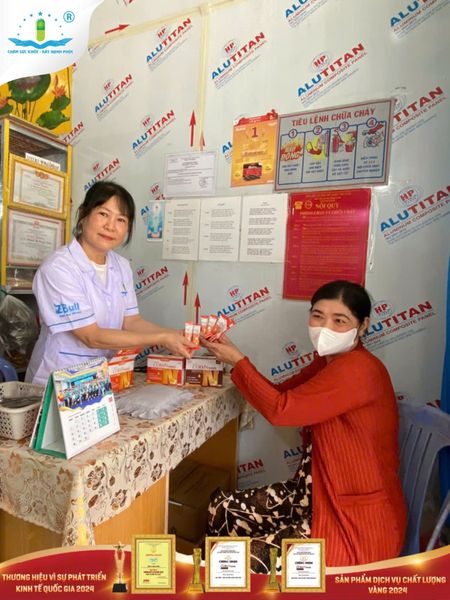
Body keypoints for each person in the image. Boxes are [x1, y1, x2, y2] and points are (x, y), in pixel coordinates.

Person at [202, 280, 407, 572]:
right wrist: (233, 356)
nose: (325, 328)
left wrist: (238, 361)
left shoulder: (358, 370)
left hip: (354, 524)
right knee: (221, 509)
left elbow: (281, 411)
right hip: (314, 497)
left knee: (229, 564)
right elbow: (280, 395)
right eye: (318, 316)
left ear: (363, 326)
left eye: (339, 321)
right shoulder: (328, 362)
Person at [26, 181, 195, 385]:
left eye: (121, 219)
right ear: (83, 215)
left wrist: (177, 335)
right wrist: (161, 338)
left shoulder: (121, 265)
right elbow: (91, 336)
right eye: (103, 214)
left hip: (101, 378)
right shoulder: (58, 268)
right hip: (58, 379)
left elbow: (131, 322)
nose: (111, 226)